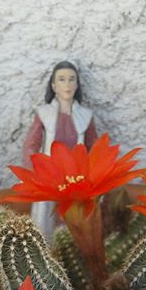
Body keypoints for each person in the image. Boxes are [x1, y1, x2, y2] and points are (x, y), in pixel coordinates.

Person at [22, 60, 98, 235]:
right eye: (62, 79)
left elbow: (94, 147)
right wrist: (34, 171)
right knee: (46, 220)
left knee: (74, 222)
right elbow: (30, 146)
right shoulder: (44, 114)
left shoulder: (86, 116)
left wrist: (93, 175)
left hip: (76, 180)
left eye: (72, 79)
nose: (67, 84)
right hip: (50, 177)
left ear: (77, 85)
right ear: (54, 86)